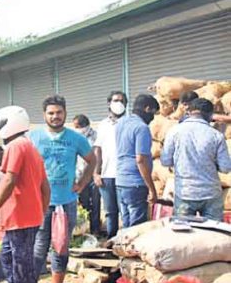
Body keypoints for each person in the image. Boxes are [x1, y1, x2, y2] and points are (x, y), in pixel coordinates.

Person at [29, 95, 96, 283]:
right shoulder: (34, 137)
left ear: (65, 113)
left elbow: (92, 160)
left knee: (61, 248)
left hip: (66, 203)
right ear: (44, 115)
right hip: (40, 204)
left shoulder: (75, 138)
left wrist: (82, 183)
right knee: (38, 251)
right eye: (50, 113)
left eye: (58, 112)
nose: (55, 116)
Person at [0, 106, 50, 283]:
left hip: (20, 219)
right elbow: (46, 187)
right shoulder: (29, 147)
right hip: (23, 218)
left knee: (21, 266)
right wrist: (40, 210)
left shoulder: (16, 147)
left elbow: (10, 180)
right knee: (7, 258)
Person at [161, 98, 231, 220]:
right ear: (210, 115)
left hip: (185, 193)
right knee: (213, 234)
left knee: (184, 234)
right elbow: (225, 168)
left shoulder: (174, 132)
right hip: (211, 194)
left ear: (189, 112)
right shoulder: (216, 135)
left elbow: (165, 161)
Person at [115, 94, 159, 228]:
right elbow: (141, 160)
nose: (153, 118)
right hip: (136, 184)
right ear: (147, 109)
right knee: (137, 229)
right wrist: (152, 188)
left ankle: (121, 248)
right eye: (153, 113)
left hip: (121, 181)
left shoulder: (121, 123)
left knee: (126, 226)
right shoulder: (141, 128)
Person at [93, 91, 127, 240]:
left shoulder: (129, 123)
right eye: (115, 100)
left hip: (124, 175)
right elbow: (98, 150)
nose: (118, 103)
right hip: (107, 175)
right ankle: (112, 241)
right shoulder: (103, 125)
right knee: (110, 211)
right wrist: (96, 172)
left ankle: (126, 242)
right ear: (109, 103)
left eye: (121, 101)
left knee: (125, 211)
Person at [73, 114, 101, 235]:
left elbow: (98, 154)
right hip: (80, 175)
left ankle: (95, 230)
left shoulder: (95, 136)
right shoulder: (74, 137)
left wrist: (97, 172)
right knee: (83, 203)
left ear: (84, 125)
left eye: (77, 126)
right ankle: (84, 230)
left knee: (95, 202)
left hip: (93, 174)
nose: (77, 129)